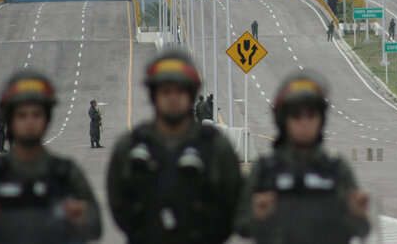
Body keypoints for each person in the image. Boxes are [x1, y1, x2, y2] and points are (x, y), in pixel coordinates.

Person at [107, 49, 242, 244]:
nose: (173, 98)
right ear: (154, 95)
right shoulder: (132, 146)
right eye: (165, 91)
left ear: (191, 95)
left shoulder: (215, 147)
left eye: (180, 91)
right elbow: (119, 204)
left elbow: (232, 202)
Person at [0, 70, 102, 244]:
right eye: (22, 115)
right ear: (10, 120)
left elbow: (95, 226)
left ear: (47, 119)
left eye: (37, 114)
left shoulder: (65, 173)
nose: (30, 122)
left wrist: (79, 218)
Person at [237, 71, 371, 244]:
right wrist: (258, 216)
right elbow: (241, 225)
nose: (304, 123)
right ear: (283, 120)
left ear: (321, 120)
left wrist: (358, 215)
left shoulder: (335, 168)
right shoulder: (266, 169)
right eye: (296, 116)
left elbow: (361, 229)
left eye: (311, 115)